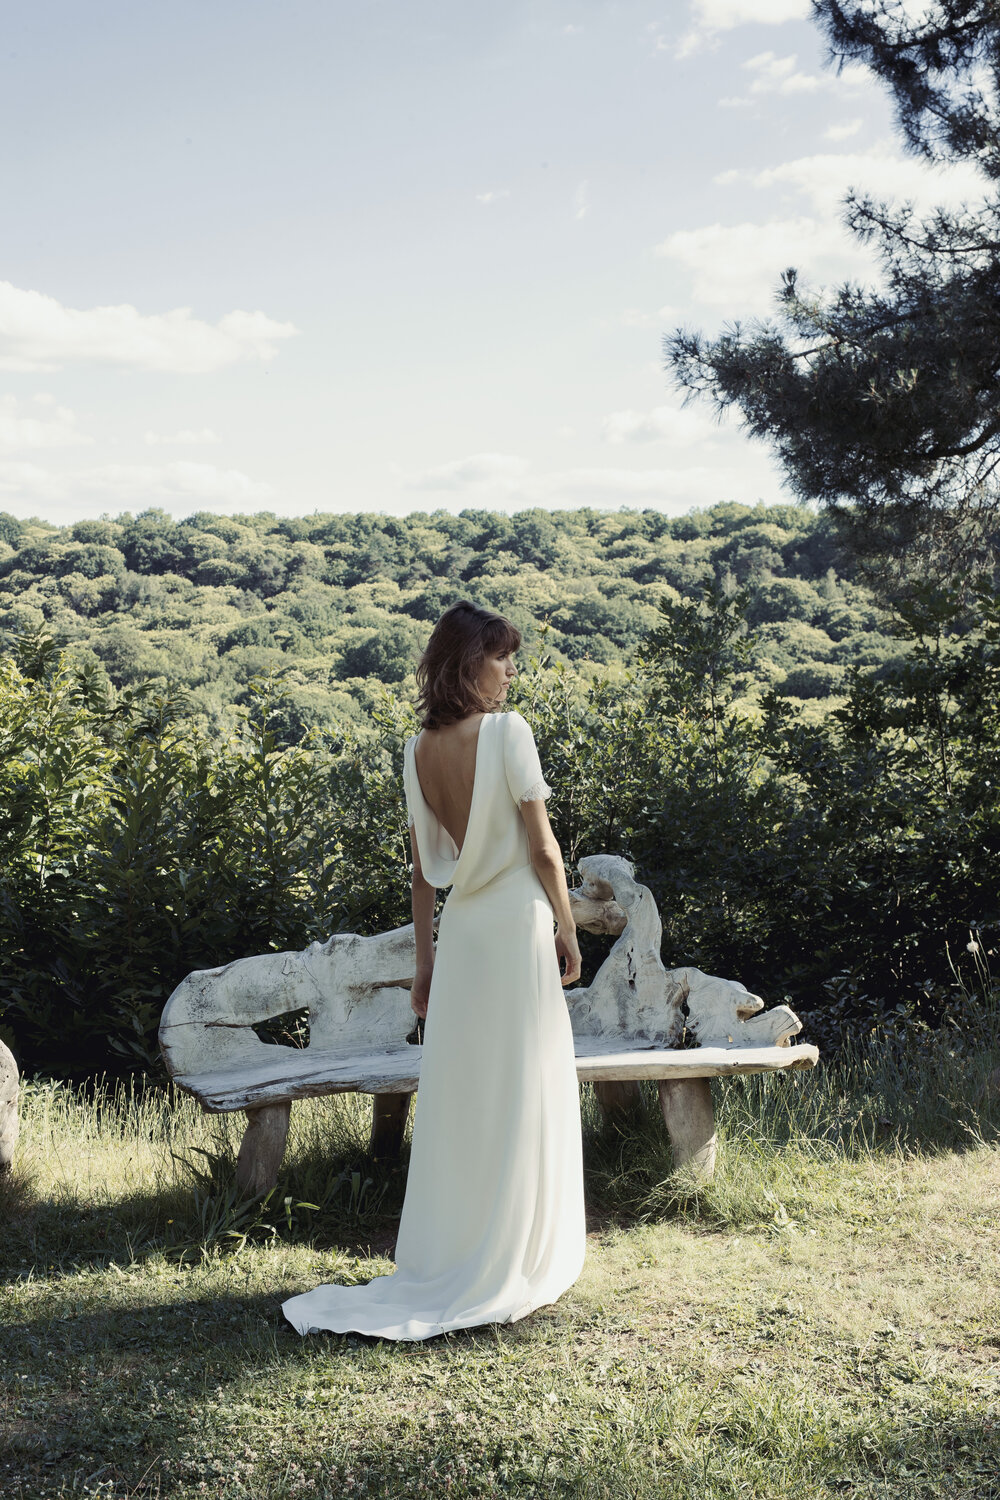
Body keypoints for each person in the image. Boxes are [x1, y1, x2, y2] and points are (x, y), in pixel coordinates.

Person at [281, 600, 587, 1341]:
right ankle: (512, 1252)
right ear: (467, 663)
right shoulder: (510, 733)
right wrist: (570, 930)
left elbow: (423, 874)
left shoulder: (418, 749)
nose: (512, 668)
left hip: (463, 941)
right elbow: (544, 851)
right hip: (514, 930)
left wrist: (424, 966)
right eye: (502, 655)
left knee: (468, 1100)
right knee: (518, 1087)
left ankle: (459, 1250)